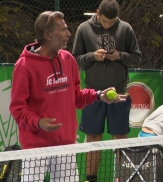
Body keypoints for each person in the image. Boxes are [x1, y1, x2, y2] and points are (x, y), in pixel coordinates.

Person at [9, 11, 127, 182]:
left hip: (65, 145)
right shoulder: (24, 66)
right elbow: (17, 108)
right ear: (48, 35)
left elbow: (77, 96)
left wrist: (99, 95)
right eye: (63, 29)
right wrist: (38, 122)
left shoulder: (68, 59)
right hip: (35, 148)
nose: (68, 33)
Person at [72, 0, 142, 182]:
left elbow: (136, 57)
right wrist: (92, 56)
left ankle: (124, 177)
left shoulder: (125, 28)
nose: (108, 25)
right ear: (98, 13)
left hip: (119, 94)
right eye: (105, 22)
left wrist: (120, 56)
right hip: (92, 95)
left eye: (112, 23)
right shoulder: (83, 29)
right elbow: (76, 59)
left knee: (120, 137)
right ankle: (90, 179)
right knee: (93, 137)